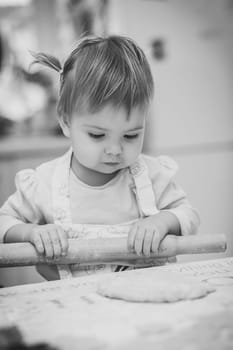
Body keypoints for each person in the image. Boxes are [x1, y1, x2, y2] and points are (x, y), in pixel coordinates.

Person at [0, 35, 200, 280]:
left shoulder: (152, 175)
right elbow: (4, 222)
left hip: (146, 307)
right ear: (65, 121)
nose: (115, 150)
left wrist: (163, 222)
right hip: (76, 311)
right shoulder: (44, 182)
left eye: (130, 135)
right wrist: (30, 233)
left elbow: (189, 215)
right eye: (97, 135)